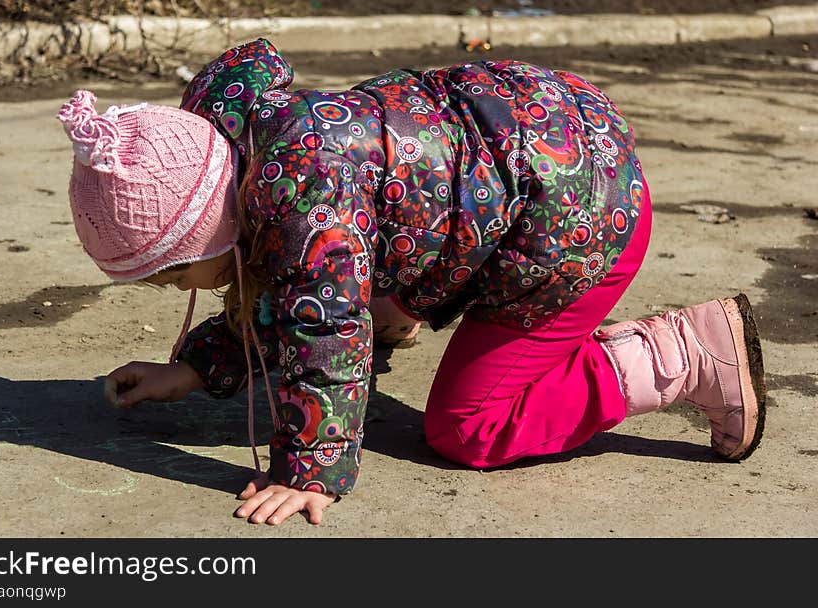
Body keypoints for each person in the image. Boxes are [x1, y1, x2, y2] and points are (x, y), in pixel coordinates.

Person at [57, 38, 766, 527]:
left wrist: (307, 472)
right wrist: (194, 367)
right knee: (341, 276)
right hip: (542, 129)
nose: (186, 289)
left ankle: (681, 356)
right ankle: (402, 302)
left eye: (179, 274)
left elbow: (321, 336)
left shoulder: (306, 211)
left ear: (206, 231)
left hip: (583, 217)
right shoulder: (241, 139)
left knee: (469, 429)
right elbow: (274, 285)